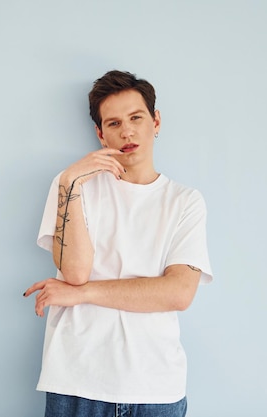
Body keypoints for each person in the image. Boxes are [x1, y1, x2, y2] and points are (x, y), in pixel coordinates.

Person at [23, 70, 213, 417]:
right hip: (77, 381)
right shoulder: (73, 186)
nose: (126, 131)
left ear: (156, 121)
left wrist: (82, 294)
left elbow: (178, 293)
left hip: (156, 386)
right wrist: (69, 182)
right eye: (113, 124)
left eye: (136, 118)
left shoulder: (185, 201)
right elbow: (76, 271)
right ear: (100, 134)